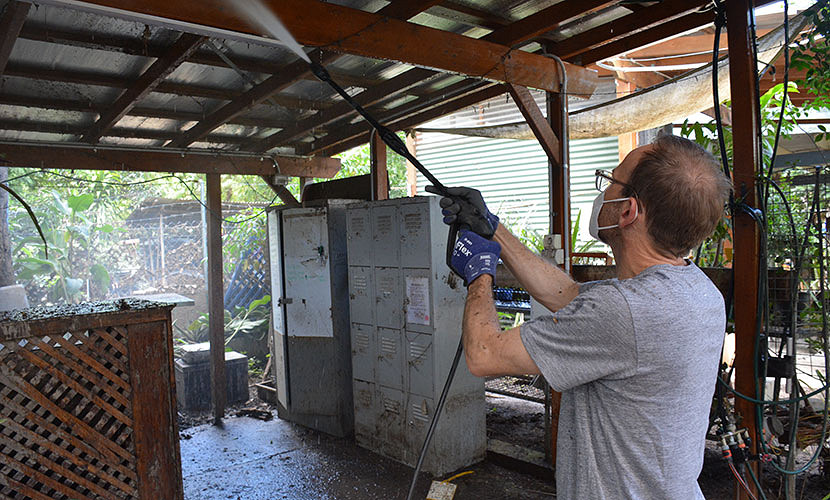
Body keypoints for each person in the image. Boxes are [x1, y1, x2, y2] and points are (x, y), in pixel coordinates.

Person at [428, 135, 733, 499]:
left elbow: (483, 354)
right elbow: (570, 296)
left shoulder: (622, 310)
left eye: (611, 182)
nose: (603, 192)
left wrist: (480, 272)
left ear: (627, 211)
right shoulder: (697, 291)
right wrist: (492, 228)